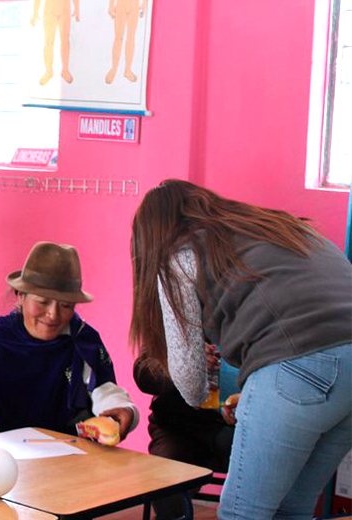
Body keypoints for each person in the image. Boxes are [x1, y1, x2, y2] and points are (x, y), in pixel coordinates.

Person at [130, 179, 351, 519]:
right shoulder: (280, 227)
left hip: (298, 365)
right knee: (293, 508)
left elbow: (190, 385)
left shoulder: (178, 253)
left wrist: (211, 384)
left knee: (241, 513)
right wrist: (255, 395)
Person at [0, 242, 138, 441]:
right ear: (21, 296)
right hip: (4, 455)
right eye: (42, 302)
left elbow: (103, 389)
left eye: (66, 306)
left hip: (72, 453)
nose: (52, 315)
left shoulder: (82, 340)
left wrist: (121, 410)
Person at [133, 349, 235, 519]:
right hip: (180, 429)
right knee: (163, 477)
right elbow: (143, 372)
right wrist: (182, 364)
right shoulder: (184, 323)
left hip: (245, 427)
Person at [30, 0, 80, 85]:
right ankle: (48, 71)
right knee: (48, 42)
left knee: (65, 40)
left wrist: (77, 8)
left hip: (64, 7)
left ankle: (65, 70)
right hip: (50, 8)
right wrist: (35, 11)